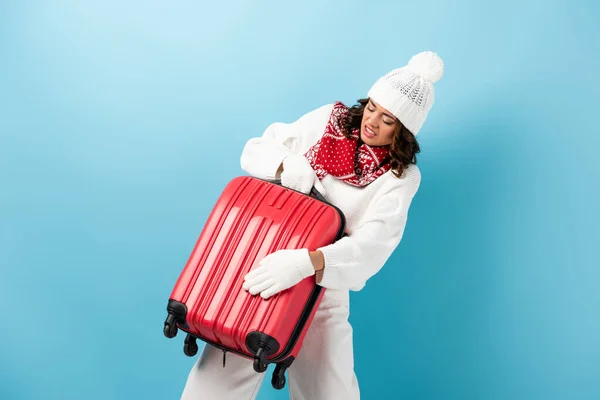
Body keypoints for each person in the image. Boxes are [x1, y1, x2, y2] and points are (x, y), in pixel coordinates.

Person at [180, 50, 444, 400]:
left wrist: (309, 262)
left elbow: (375, 244)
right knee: (216, 383)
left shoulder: (399, 177)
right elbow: (255, 150)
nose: (372, 122)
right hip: (266, 264)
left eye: (389, 119)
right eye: (372, 108)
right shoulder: (327, 122)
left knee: (328, 391)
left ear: (403, 132)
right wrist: (287, 165)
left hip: (322, 285)